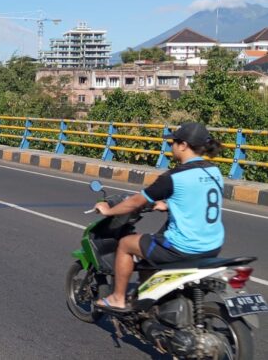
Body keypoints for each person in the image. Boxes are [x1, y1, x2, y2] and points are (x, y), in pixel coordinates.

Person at [94, 122, 224, 311]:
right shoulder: (214, 171)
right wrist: (170, 204)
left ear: (183, 145)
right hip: (213, 245)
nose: (171, 147)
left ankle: (117, 298)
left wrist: (108, 211)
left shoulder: (174, 177)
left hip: (184, 247)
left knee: (126, 244)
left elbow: (135, 202)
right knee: (154, 243)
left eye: (173, 142)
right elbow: (197, 198)